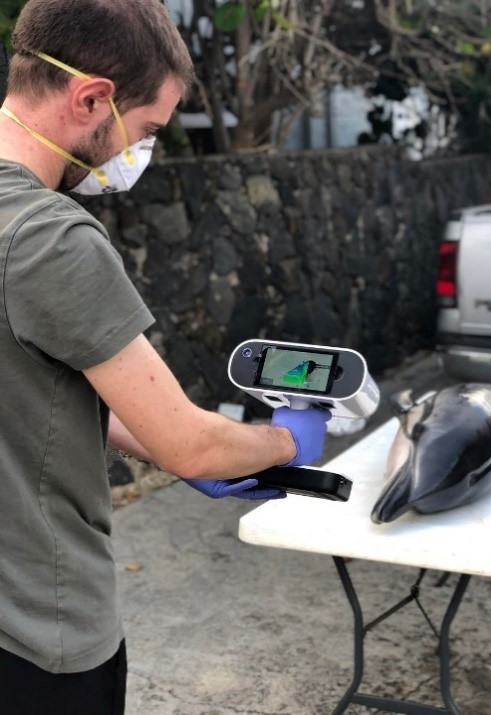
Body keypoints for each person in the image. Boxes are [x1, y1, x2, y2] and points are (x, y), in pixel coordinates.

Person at [0, 1, 330, 713]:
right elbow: (191, 441)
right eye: (146, 131)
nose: (138, 154)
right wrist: (283, 439)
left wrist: (158, 442)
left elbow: (33, 392)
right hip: (39, 634)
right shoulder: (49, 237)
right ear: (92, 97)